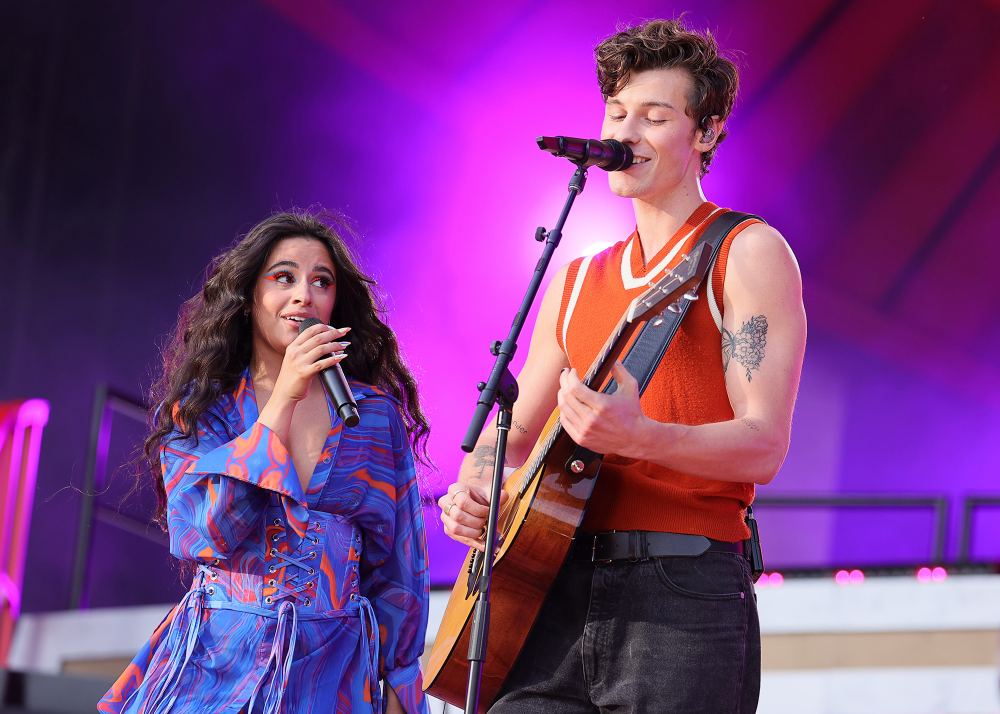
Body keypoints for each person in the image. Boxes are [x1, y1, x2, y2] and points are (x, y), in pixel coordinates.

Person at [439, 18, 806, 713]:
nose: (626, 131)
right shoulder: (575, 278)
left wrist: (643, 438)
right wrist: (479, 486)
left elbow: (765, 444)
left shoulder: (747, 251)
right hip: (545, 585)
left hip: (681, 590)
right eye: (616, 112)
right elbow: (508, 432)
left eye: (655, 116)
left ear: (706, 134)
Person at [99, 211, 431, 714]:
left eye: (321, 282)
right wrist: (281, 405)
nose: (305, 295)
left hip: (333, 672)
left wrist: (402, 687)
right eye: (284, 278)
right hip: (219, 663)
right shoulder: (203, 410)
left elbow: (401, 568)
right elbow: (202, 534)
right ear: (250, 298)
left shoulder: (371, 416)